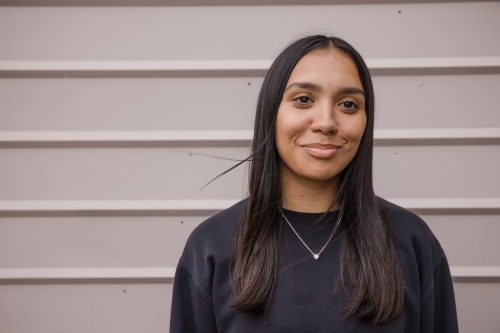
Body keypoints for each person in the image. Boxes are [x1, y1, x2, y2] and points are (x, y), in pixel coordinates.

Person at [170, 35, 459, 332]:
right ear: (272, 112)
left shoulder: (413, 242)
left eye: (348, 104)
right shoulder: (211, 246)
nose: (326, 122)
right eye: (304, 99)